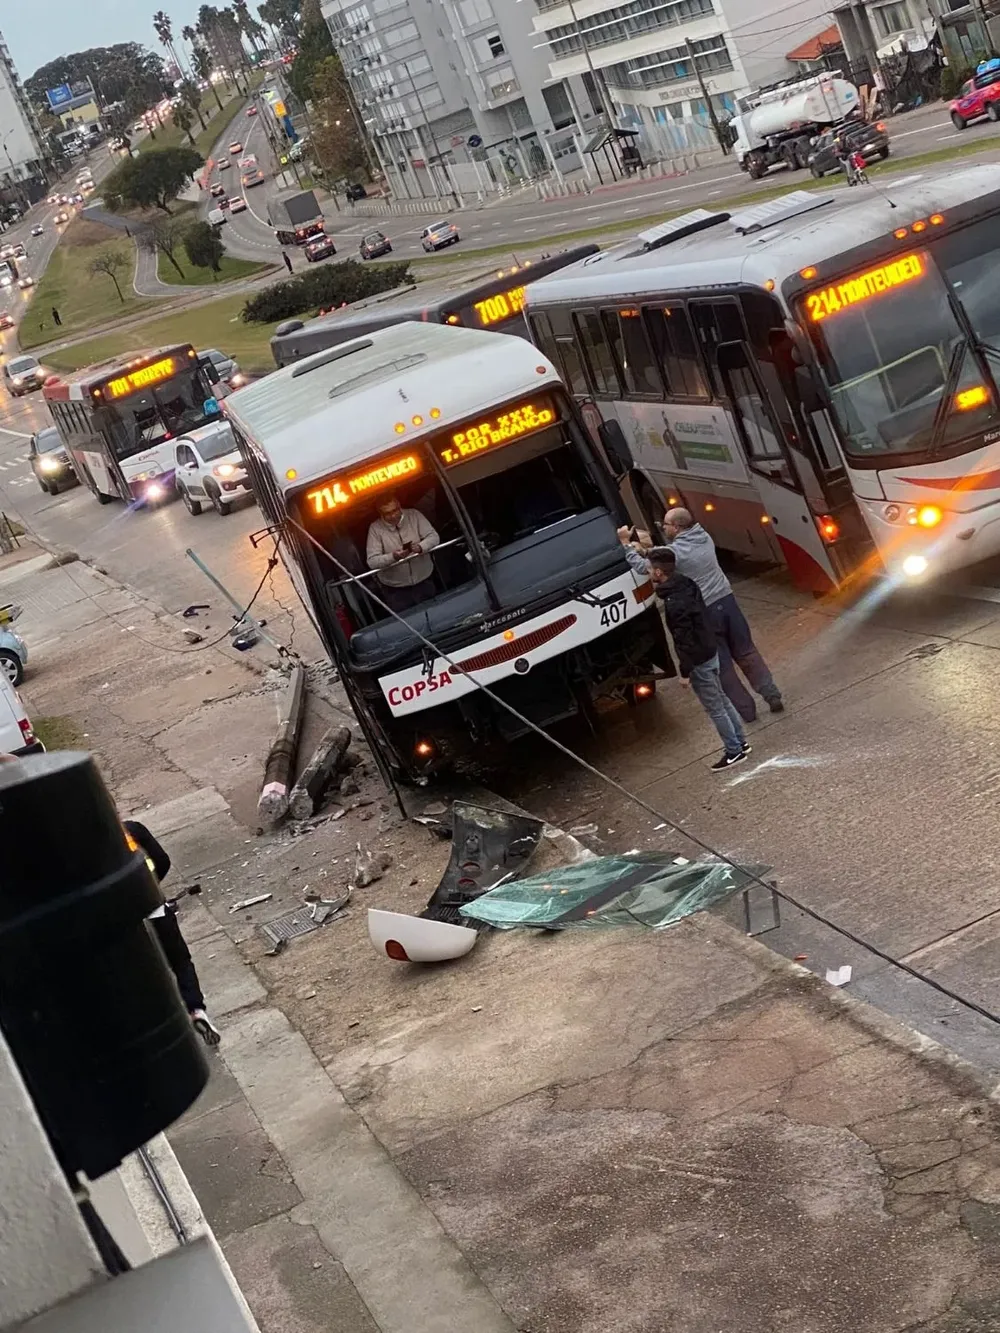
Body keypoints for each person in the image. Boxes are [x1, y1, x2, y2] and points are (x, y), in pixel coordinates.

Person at [659, 508, 782, 724]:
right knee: (747, 651)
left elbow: (652, 564)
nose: (663, 527)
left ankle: (747, 712)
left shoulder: (677, 554)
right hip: (727, 601)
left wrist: (629, 548)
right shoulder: (704, 537)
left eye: (666, 524)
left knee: (723, 665)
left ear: (676, 527)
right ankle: (771, 694)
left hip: (705, 612)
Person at [646, 547, 749, 770]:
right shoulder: (687, 583)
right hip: (710, 649)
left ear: (658, 572)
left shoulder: (674, 602)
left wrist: (684, 672)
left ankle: (734, 751)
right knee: (722, 699)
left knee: (715, 708)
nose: (649, 574)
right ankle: (741, 741)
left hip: (699, 659)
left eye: (650, 570)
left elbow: (683, 639)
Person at [124, 819, 221, 1046]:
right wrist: (151, 885)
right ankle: (196, 1010)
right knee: (181, 962)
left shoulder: (91, 844)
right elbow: (162, 861)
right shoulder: (132, 830)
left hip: (126, 921)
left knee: (143, 973)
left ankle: (160, 1025)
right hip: (155, 907)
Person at [366, 495, 439, 613]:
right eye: (388, 513)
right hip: (396, 590)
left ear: (399, 507)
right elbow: (372, 561)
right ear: (381, 514)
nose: (393, 515)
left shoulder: (414, 515)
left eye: (395, 510)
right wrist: (393, 557)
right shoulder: (375, 528)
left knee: (435, 613)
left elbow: (434, 537)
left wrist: (420, 547)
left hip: (424, 579)